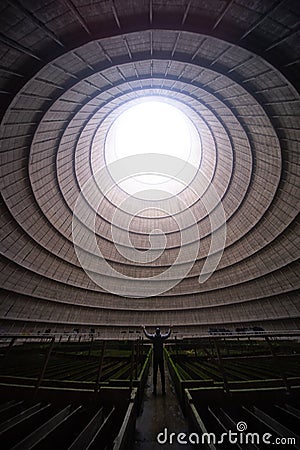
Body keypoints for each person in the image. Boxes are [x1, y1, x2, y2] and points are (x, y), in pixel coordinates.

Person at [142, 325, 171, 395]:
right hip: (161, 357)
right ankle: (163, 390)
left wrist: (144, 329)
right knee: (162, 373)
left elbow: (147, 335)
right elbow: (168, 335)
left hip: (155, 357)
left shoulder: (153, 337)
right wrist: (170, 328)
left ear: (156, 332)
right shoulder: (162, 337)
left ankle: (154, 390)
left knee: (155, 374)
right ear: (159, 332)